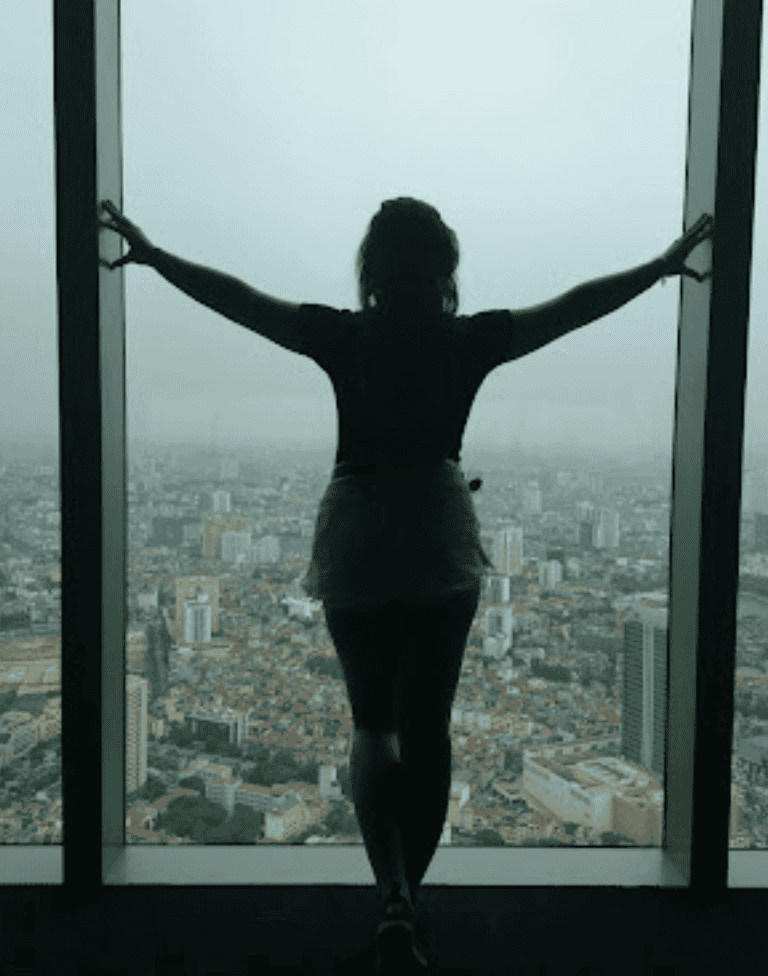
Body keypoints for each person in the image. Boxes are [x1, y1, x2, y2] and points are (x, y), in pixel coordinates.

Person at [98, 195, 714, 972]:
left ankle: (387, 889)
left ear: (373, 268)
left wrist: (155, 256)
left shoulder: (345, 335)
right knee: (429, 730)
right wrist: (659, 268)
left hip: (357, 523)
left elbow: (242, 302)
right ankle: (407, 907)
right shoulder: (468, 341)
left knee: (372, 726)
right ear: (444, 270)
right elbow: (571, 309)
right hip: (436, 525)